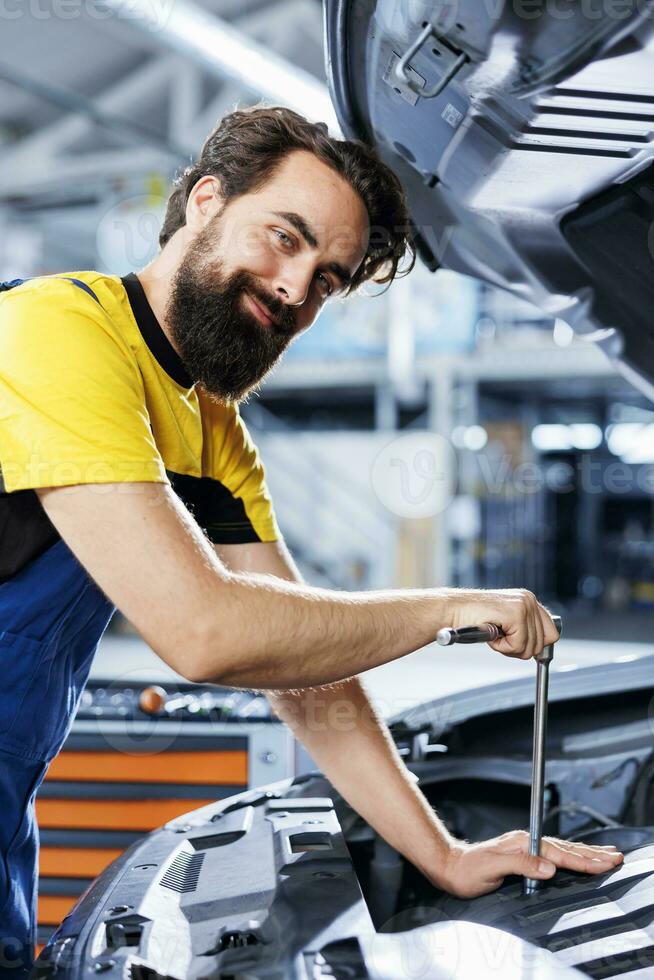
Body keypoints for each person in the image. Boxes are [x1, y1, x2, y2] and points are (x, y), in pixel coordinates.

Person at [0, 105, 621, 970]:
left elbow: (307, 676)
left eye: (327, 279)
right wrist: (449, 609)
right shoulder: (53, 331)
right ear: (205, 201)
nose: (295, 290)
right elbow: (204, 632)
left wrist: (441, 855)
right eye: (284, 238)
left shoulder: (214, 434)